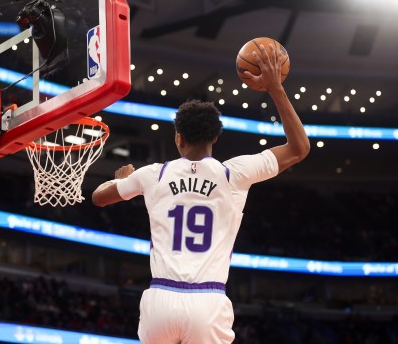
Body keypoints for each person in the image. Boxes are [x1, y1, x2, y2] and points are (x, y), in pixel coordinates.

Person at [92, 43, 310, 343]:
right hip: (207, 299)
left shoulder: (153, 174)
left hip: (161, 299)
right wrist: (275, 89)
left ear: (178, 137)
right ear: (216, 137)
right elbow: (299, 148)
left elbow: (99, 197)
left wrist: (122, 180)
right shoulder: (234, 173)